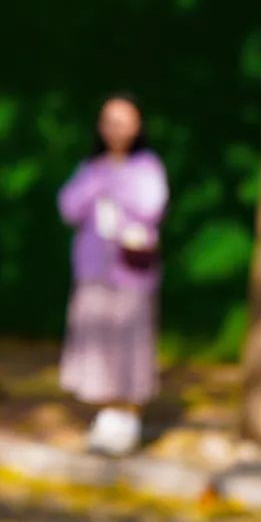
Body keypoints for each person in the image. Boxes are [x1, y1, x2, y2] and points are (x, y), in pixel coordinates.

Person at [57, 92, 169, 456]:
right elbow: (69, 207)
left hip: (130, 272)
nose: (117, 129)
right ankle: (107, 414)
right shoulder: (91, 167)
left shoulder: (146, 167)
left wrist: (116, 183)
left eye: (124, 121)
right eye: (110, 121)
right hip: (94, 271)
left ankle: (128, 415)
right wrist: (98, 181)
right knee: (98, 341)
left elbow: (151, 206)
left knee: (130, 341)